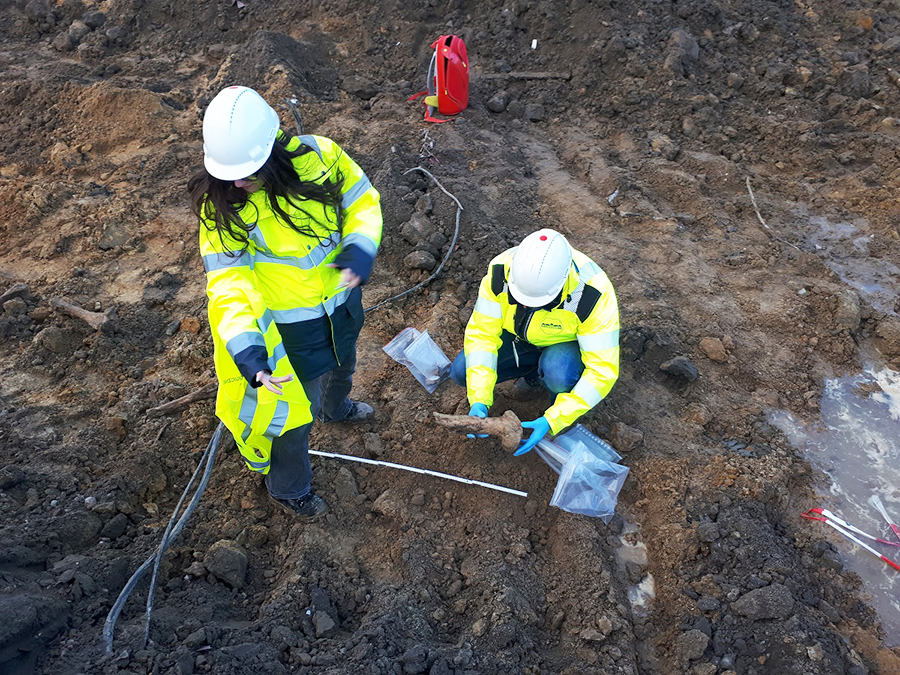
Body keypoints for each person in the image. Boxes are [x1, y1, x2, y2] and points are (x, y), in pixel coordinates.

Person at [189, 86, 382, 519]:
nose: (236, 182)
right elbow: (228, 285)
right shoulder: (223, 208)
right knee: (295, 414)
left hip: (342, 303)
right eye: (229, 173)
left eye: (247, 171)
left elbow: (362, 201)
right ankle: (289, 487)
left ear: (273, 150)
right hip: (291, 330)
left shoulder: (322, 157)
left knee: (345, 363)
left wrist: (360, 247)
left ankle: (340, 409)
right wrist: (249, 352)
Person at [450, 229, 619, 455]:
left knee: (558, 371)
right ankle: (533, 377)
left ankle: (555, 402)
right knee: (462, 371)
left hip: (565, 348)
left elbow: (601, 371)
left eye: (536, 303)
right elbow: (483, 334)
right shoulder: (502, 271)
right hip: (521, 337)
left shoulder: (593, 295)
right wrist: (480, 398)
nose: (527, 306)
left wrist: (554, 419)